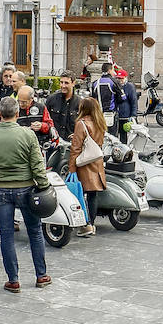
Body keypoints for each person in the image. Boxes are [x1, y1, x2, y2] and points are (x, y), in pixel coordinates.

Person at [0, 97, 50, 293]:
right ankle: (41, 275)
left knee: (7, 234)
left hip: (1, 189)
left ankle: (13, 279)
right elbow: (37, 165)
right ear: (17, 114)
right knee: (35, 231)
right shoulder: (27, 135)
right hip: (26, 188)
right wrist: (43, 185)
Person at [68, 97, 107, 238]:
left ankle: (86, 224)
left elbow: (76, 148)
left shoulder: (81, 123)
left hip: (84, 164)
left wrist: (71, 168)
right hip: (96, 162)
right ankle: (92, 224)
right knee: (92, 195)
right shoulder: (100, 123)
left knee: (79, 193)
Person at [47, 71, 81, 141]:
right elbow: (45, 120)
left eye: (66, 83)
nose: (63, 85)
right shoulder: (51, 100)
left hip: (72, 144)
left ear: (73, 83)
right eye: (61, 82)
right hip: (54, 141)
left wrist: (78, 134)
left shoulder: (80, 103)